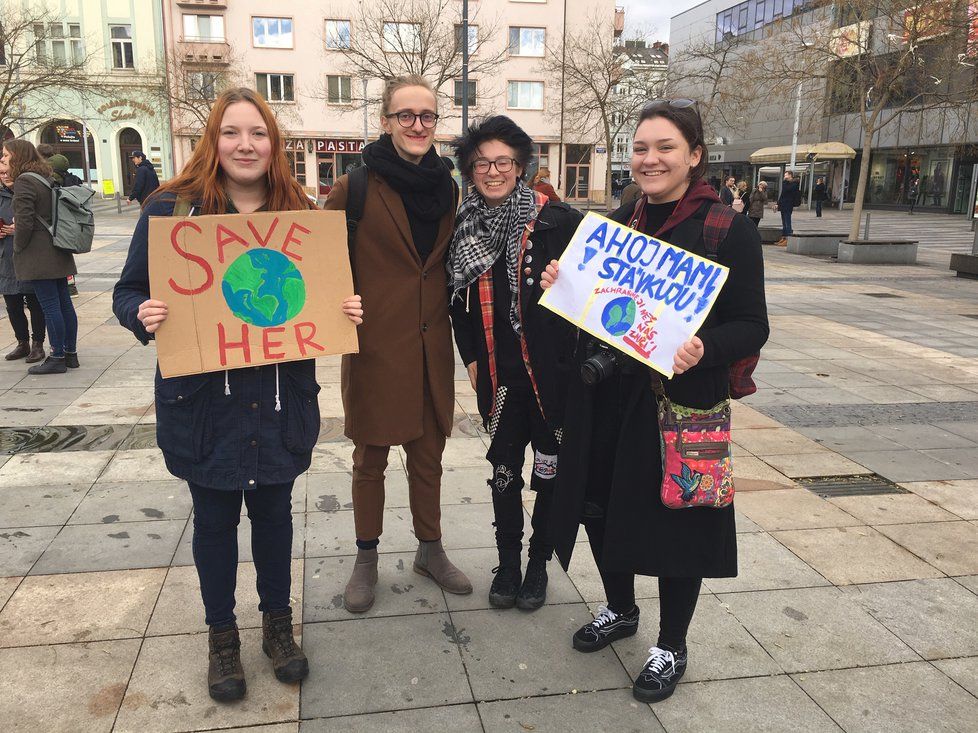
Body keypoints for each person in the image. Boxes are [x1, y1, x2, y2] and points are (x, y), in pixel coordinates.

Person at [113, 87, 364, 702]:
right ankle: (222, 636)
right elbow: (126, 291)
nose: (245, 145)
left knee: (276, 519)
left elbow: (326, 295)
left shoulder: (299, 215)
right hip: (205, 406)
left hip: (278, 401)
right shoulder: (170, 212)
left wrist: (346, 308)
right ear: (213, 141)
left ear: (273, 144)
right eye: (232, 133)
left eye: (257, 133)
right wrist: (139, 312)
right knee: (215, 521)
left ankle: (277, 625)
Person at [544, 99, 768, 703]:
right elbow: (604, 312)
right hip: (610, 397)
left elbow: (753, 325)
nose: (651, 159)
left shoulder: (728, 231)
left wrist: (705, 346)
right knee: (598, 506)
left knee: (677, 522)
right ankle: (620, 608)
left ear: (694, 156)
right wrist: (564, 286)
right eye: (641, 148)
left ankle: (672, 643)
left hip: (678, 403)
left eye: (665, 147)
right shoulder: (619, 223)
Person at [323, 75, 472, 614]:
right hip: (375, 346)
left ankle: (429, 549)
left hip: (432, 347)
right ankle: (366, 558)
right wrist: (337, 303)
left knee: (428, 454)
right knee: (371, 457)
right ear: (387, 121)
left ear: (436, 124)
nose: (416, 125)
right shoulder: (356, 186)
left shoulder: (448, 187)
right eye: (405, 115)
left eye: (426, 116)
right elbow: (316, 265)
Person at [448, 116, 581, 610]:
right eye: (481, 163)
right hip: (501, 379)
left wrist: (563, 282)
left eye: (503, 161)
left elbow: (597, 296)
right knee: (504, 474)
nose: (492, 170)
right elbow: (456, 303)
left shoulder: (560, 221)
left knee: (549, 474)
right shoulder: (464, 226)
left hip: (553, 379)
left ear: (521, 166)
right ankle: (506, 564)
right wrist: (470, 361)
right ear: (469, 170)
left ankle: (538, 566)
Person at [2, 140, 78, 375]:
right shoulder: (43, 177)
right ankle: (69, 354)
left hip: (38, 253)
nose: (2, 159)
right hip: (55, 249)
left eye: (5, 155)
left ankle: (56, 357)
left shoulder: (24, 180)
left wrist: (18, 247)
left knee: (50, 306)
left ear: (18, 156)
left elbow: (23, 222)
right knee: (64, 304)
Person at [0, 166, 45, 363]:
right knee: (12, 303)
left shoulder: (27, 191)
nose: (5, 176)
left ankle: (38, 344)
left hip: (28, 254)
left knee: (34, 302)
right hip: (6, 257)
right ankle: (22, 342)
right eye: (1, 174)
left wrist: (20, 228)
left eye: (7, 172)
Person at [775, 170, 799, 245]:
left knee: (787, 222)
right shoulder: (786, 183)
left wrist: (785, 182)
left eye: (786, 175)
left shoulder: (794, 183)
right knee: (783, 222)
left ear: (790, 175)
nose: (784, 177)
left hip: (788, 205)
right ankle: (784, 237)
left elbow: (787, 190)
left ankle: (788, 238)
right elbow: (782, 194)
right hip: (783, 204)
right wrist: (777, 204)